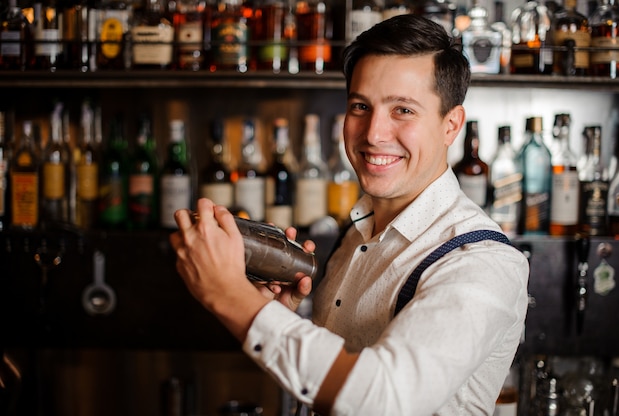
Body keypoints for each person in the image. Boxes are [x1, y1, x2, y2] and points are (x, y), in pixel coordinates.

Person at [170, 14, 529, 416]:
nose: (373, 133)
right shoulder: (358, 231)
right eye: (360, 106)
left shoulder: (482, 262)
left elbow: (384, 397)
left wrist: (230, 298)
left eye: (403, 111)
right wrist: (273, 313)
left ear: (451, 125)